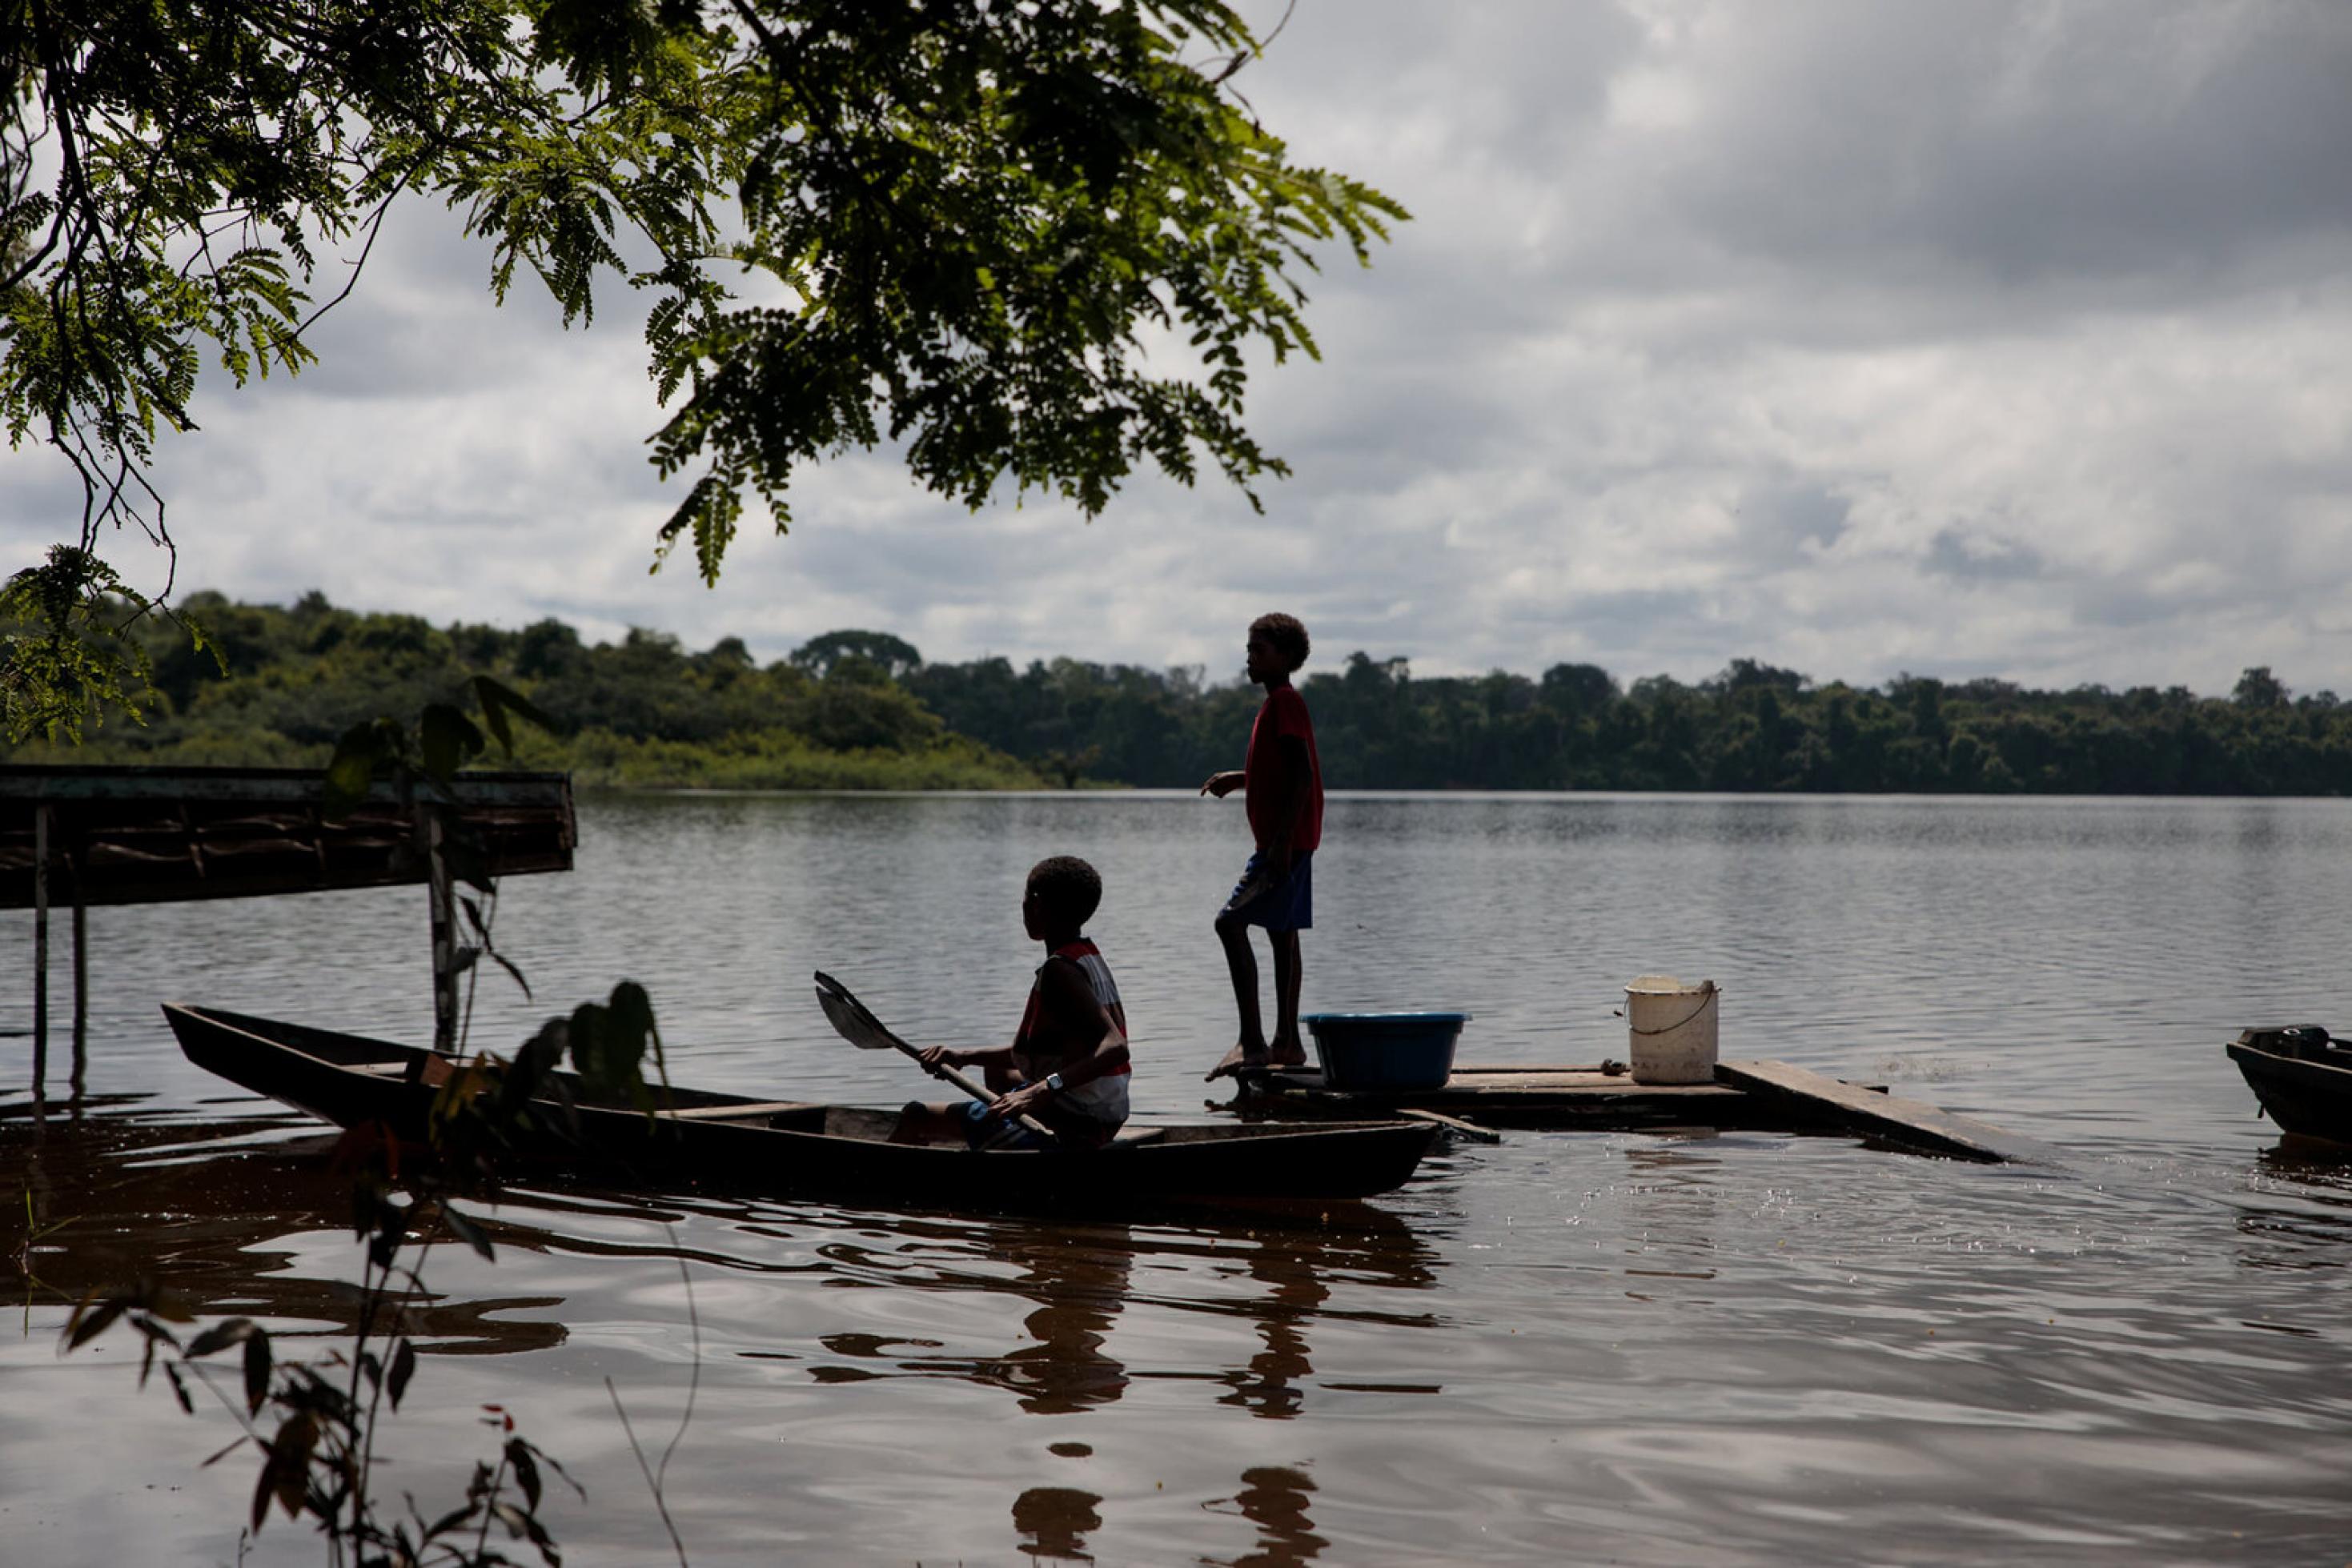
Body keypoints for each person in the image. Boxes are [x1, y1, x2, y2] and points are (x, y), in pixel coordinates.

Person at [890, 856, 1133, 1149]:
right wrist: (962, 1056)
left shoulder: (1060, 971)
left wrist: (1040, 1091)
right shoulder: (1085, 955)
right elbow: (1037, 1053)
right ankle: (995, 1136)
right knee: (998, 1072)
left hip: (1078, 1121)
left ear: (1035, 904)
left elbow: (1116, 1048)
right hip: (1104, 1112)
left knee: (915, 1116)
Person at [1202, 612, 1323, 1081]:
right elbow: (1283, 773)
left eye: (1260, 650)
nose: (1249, 657)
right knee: (1281, 933)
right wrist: (1243, 778)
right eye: (1249, 649)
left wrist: (1278, 846)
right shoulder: (1277, 704)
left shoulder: (1285, 703)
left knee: (1229, 924)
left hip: (1283, 846)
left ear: (1286, 657)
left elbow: (1303, 776)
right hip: (1289, 843)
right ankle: (1288, 1044)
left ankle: (1253, 1043)